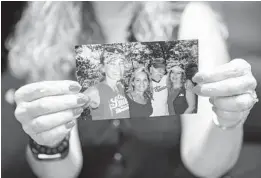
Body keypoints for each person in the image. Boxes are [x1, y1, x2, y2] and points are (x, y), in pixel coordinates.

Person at [6, 1, 259, 178]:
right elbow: (61, 172)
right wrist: (46, 141)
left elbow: (207, 165)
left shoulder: (189, 19)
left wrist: (228, 117)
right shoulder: (51, 35)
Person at [82, 46, 130, 120]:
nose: (118, 68)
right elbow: (71, 108)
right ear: (103, 68)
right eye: (112, 63)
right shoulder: (95, 91)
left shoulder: (120, 87)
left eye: (121, 63)